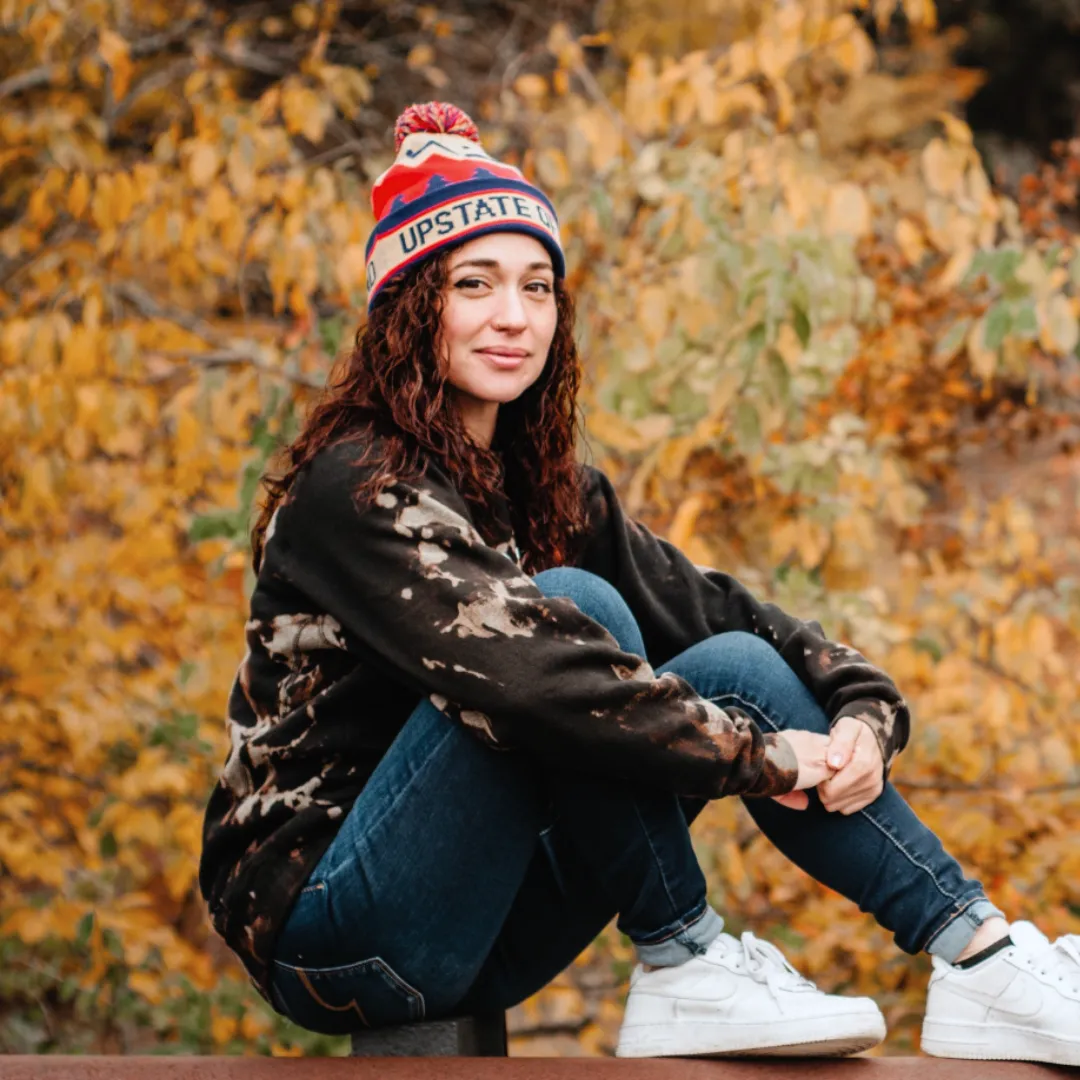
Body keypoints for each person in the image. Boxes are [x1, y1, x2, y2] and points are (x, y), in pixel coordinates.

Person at [198, 101, 1080, 1064]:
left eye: (538, 287)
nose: (514, 316)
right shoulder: (357, 486)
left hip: (489, 920)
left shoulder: (553, 493)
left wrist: (863, 711)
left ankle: (979, 955)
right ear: (411, 309)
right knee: (578, 613)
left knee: (734, 661)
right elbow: (540, 675)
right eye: (475, 285)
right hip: (333, 930)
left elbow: (736, 621)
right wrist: (765, 762)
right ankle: (686, 961)